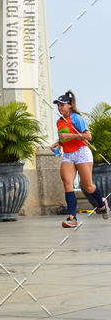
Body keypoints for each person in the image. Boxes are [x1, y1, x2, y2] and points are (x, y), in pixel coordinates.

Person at [50, 90, 109, 227]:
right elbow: (64, 138)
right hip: (68, 155)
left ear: (69, 105)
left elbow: (88, 136)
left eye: (62, 105)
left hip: (82, 152)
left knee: (88, 186)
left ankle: (102, 204)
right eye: (58, 105)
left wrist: (69, 137)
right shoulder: (59, 122)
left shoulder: (76, 118)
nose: (60, 108)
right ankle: (72, 218)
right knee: (67, 183)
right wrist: (58, 143)